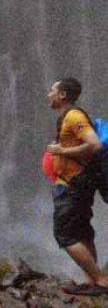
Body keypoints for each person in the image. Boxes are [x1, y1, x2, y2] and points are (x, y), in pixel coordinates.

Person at [45, 77, 108, 296]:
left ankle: (101, 280)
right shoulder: (68, 117)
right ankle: (92, 281)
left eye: (52, 90)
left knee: (65, 235)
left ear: (62, 95)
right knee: (82, 232)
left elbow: (94, 144)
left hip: (74, 186)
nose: (48, 94)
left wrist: (61, 152)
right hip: (73, 184)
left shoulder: (74, 116)